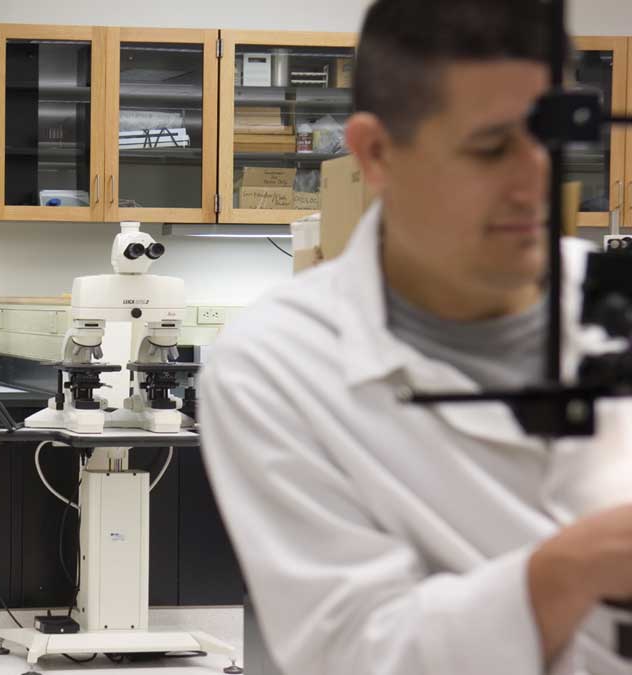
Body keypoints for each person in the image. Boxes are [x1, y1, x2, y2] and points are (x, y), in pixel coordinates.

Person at [199, 1, 632, 673]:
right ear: (376, 152)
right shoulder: (275, 366)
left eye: (552, 137)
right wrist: (566, 571)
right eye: (491, 148)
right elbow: (353, 652)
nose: (536, 183)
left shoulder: (612, 299)